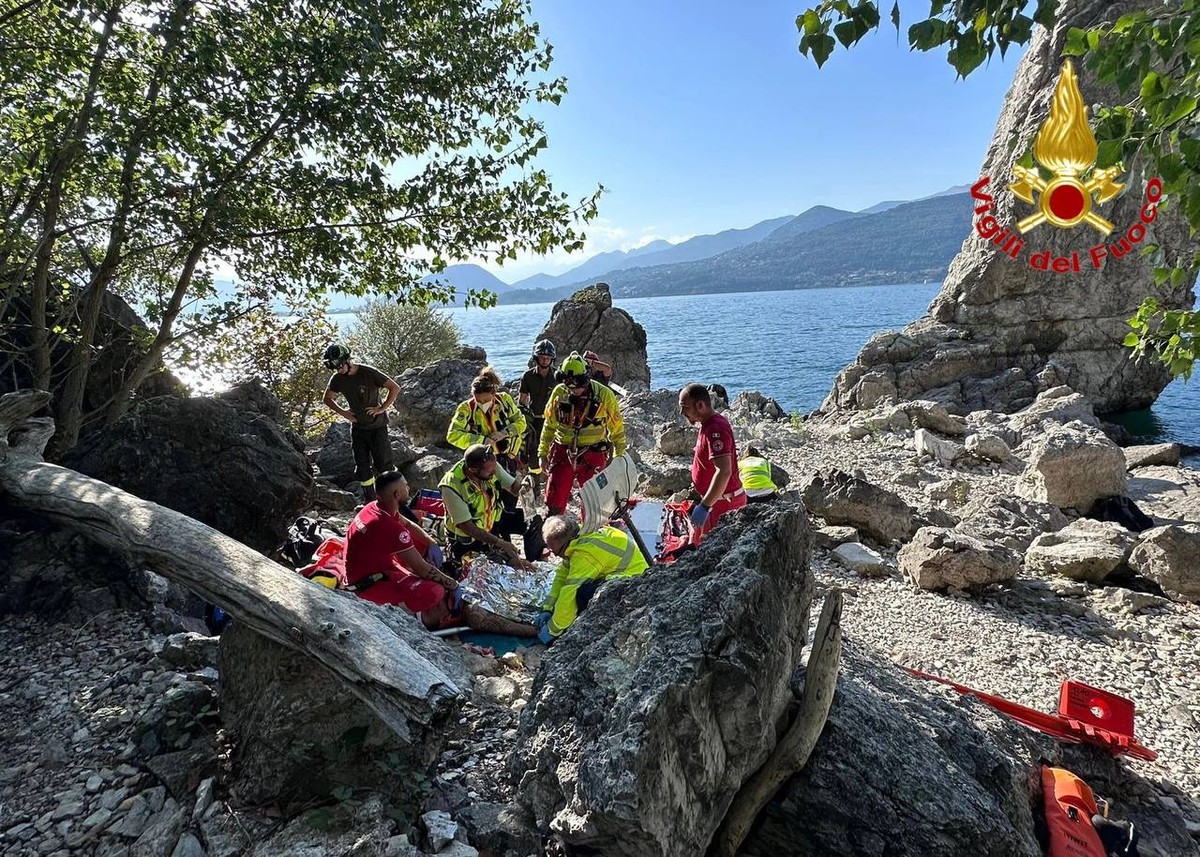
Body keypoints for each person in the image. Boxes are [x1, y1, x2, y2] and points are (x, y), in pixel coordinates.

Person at [345, 471, 535, 636]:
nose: (409, 488)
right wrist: (452, 585)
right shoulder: (389, 528)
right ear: (397, 494)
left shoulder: (376, 507)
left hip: (371, 566)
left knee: (423, 551)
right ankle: (415, 616)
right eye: (406, 486)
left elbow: (407, 523)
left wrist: (431, 544)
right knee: (435, 591)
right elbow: (422, 569)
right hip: (368, 583)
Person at [535, 516, 649, 644]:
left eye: (556, 552)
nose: (556, 555)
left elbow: (570, 592)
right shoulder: (578, 539)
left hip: (635, 582)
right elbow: (562, 577)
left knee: (583, 594)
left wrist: (553, 630)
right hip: (625, 572)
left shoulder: (585, 554)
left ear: (567, 542)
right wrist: (548, 608)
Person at [538, 351, 627, 516]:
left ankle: (591, 528)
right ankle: (554, 527)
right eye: (569, 385)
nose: (574, 390)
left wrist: (620, 456)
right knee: (554, 500)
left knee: (594, 502)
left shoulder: (604, 395)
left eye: (578, 385)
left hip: (593, 454)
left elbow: (617, 428)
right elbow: (549, 425)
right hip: (562, 452)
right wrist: (542, 453)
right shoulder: (559, 393)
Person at [321, 343, 400, 502]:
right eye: (335, 367)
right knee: (363, 468)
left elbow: (394, 388)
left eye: (339, 366)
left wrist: (382, 408)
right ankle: (370, 500)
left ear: (347, 360)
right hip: (358, 429)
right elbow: (327, 398)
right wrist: (344, 413)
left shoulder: (368, 372)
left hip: (377, 427)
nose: (338, 370)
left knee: (384, 465)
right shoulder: (337, 379)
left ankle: (395, 498)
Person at [439, 444, 537, 572]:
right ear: (473, 470)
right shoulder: (451, 486)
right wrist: (499, 543)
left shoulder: (490, 465)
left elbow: (513, 487)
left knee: (534, 523)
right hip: (468, 538)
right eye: (490, 472)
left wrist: (524, 487)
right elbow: (467, 527)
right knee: (491, 570)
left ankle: (536, 561)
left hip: (492, 522)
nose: (494, 473)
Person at [678, 382, 746, 542]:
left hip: (723, 504)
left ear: (700, 405)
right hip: (715, 502)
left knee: (715, 550)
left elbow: (724, 471)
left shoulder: (716, 429)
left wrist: (705, 506)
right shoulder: (708, 425)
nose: (682, 412)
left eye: (685, 407)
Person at [447, 366, 526, 464]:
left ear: (494, 394)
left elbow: (521, 422)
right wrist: (482, 440)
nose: (483, 403)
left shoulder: (504, 400)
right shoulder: (466, 409)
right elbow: (452, 435)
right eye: (478, 401)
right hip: (483, 460)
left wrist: (504, 433)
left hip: (509, 455)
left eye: (486, 400)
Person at [518, 340, 557, 473]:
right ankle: (534, 479)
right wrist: (524, 417)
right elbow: (522, 400)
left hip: (552, 420)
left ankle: (551, 478)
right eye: (542, 357)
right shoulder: (528, 376)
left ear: (552, 359)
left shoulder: (557, 376)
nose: (545, 360)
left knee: (553, 450)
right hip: (534, 420)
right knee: (532, 451)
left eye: (548, 358)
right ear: (536, 358)